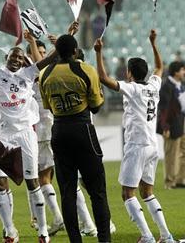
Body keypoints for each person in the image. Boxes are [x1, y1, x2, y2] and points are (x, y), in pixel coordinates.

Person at [0, 17, 59, 243]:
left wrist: (64, 39)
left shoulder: (27, 75)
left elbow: (52, 59)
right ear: (6, 58)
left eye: (19, 57)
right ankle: (10, 231)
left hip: (26, 134)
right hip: (5, 135)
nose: (16, 59)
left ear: (23, 60)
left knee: (32, 181)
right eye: (12, 56)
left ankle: (43, 231)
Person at [95, 30, 176, 243]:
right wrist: (153, 43)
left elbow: (103, 78)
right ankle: (166, 236)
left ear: (130, 73)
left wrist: (99, 52)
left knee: (127, 193)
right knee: (147, 192)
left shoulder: (132, 89)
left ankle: (147, 236)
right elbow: (160, 67)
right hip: (152, 146)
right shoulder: (153, 86)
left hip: (137, 145)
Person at [39, 34, 111, 243]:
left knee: (67, 192)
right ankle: (104, 240)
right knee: (97, 191)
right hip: (82, 129)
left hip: (59, 130)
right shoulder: (85, 69)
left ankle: (75, 241)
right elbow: (96, 107)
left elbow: (48, 106)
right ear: (74, 51)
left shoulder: (45, 73)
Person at [26, 39, 64, 235]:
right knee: (46, 176)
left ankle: (58, 218)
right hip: (50, 127)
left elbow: (47, 59)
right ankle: (43, 215)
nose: (40, 54)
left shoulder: (30, 74)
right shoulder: (40, 71)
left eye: (42, 52)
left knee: (41, 178)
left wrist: (32, 42)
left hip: (39, 131)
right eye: (37, 51)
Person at [157, 61, 185, 189]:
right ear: (176, 72)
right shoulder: (166, 86)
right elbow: (163, 109)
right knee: (171, 154)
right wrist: (165, 127)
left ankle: (180, 179)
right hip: (171, 124)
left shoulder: (181, 84)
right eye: (182, 69)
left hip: (181, 122)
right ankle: (169, 182)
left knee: (183, 152)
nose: (184, 72)